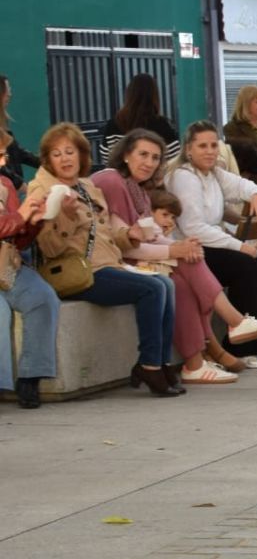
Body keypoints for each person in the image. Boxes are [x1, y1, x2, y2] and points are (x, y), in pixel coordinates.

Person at [95, 132, 257, 382]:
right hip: (110, 263)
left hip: (138, 258)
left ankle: (199, 361)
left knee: (186, 273)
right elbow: (126, 246)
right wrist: (175, 250)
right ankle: (228, 330)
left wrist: (179, 246)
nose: (149, 163)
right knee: (195, 264)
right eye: (143, 155)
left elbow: (151, 237)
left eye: (155, 158)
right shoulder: (113, 181)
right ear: (126, 155)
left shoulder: (138, 189)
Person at [23, 123, 182, 397]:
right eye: (57, 154)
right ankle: (149, 366)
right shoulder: (44, 192)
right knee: (152, 288)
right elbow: (50, 249)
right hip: (76, 272)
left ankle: (162, 362)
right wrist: (67, 217)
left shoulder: (87, 186)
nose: (65, 159)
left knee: (165, 284)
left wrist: (129, 235)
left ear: (81, 155)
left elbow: (104, 234)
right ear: (48, 159)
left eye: (70, 152)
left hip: (106, 265)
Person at [167, 121, 257, 365]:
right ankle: (242, 347)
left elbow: (242, 185)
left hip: (210, 245)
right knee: (245, 265)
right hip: (190, 250)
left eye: (214, 145)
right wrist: (238, 245)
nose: (210, 151)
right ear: (188, 149)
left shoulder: (214, 174)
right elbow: (193, 228)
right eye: (202, 146)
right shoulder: (184, 177)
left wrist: (256, 195)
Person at [0, 172, 57, 409]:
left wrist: (33, 222)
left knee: (43, 298)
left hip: (7, 266)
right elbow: (13, 220)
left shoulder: (5, 183)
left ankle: (31, 377)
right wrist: (19, 216)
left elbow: (18, 240)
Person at [98, 74, 179, 165]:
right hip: (153, 173)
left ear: (129, 94)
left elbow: (106, 156)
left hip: (120, 173)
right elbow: (174, 157)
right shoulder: (161, 125)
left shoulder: (114, 124)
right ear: (154, 96)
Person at [0, 75, 40, 189]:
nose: (10, 94)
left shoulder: (3, 127)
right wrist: (19, 183)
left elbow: (17, 152)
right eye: (7, 90)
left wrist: (48, 163)